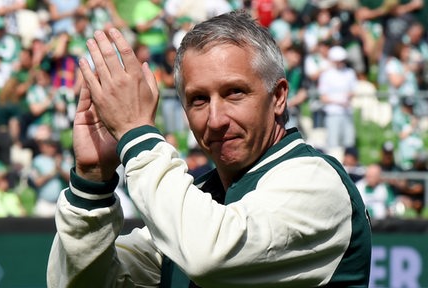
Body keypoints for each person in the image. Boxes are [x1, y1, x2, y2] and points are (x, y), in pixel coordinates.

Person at [47, 10, 371, 287]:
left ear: (279, 96)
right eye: (199, 99)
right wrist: (92, 181)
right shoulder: (196, 204)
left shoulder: (317, 183)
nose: (215, 120)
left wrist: (136, 134)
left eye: (234, 93)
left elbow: (208, 255)